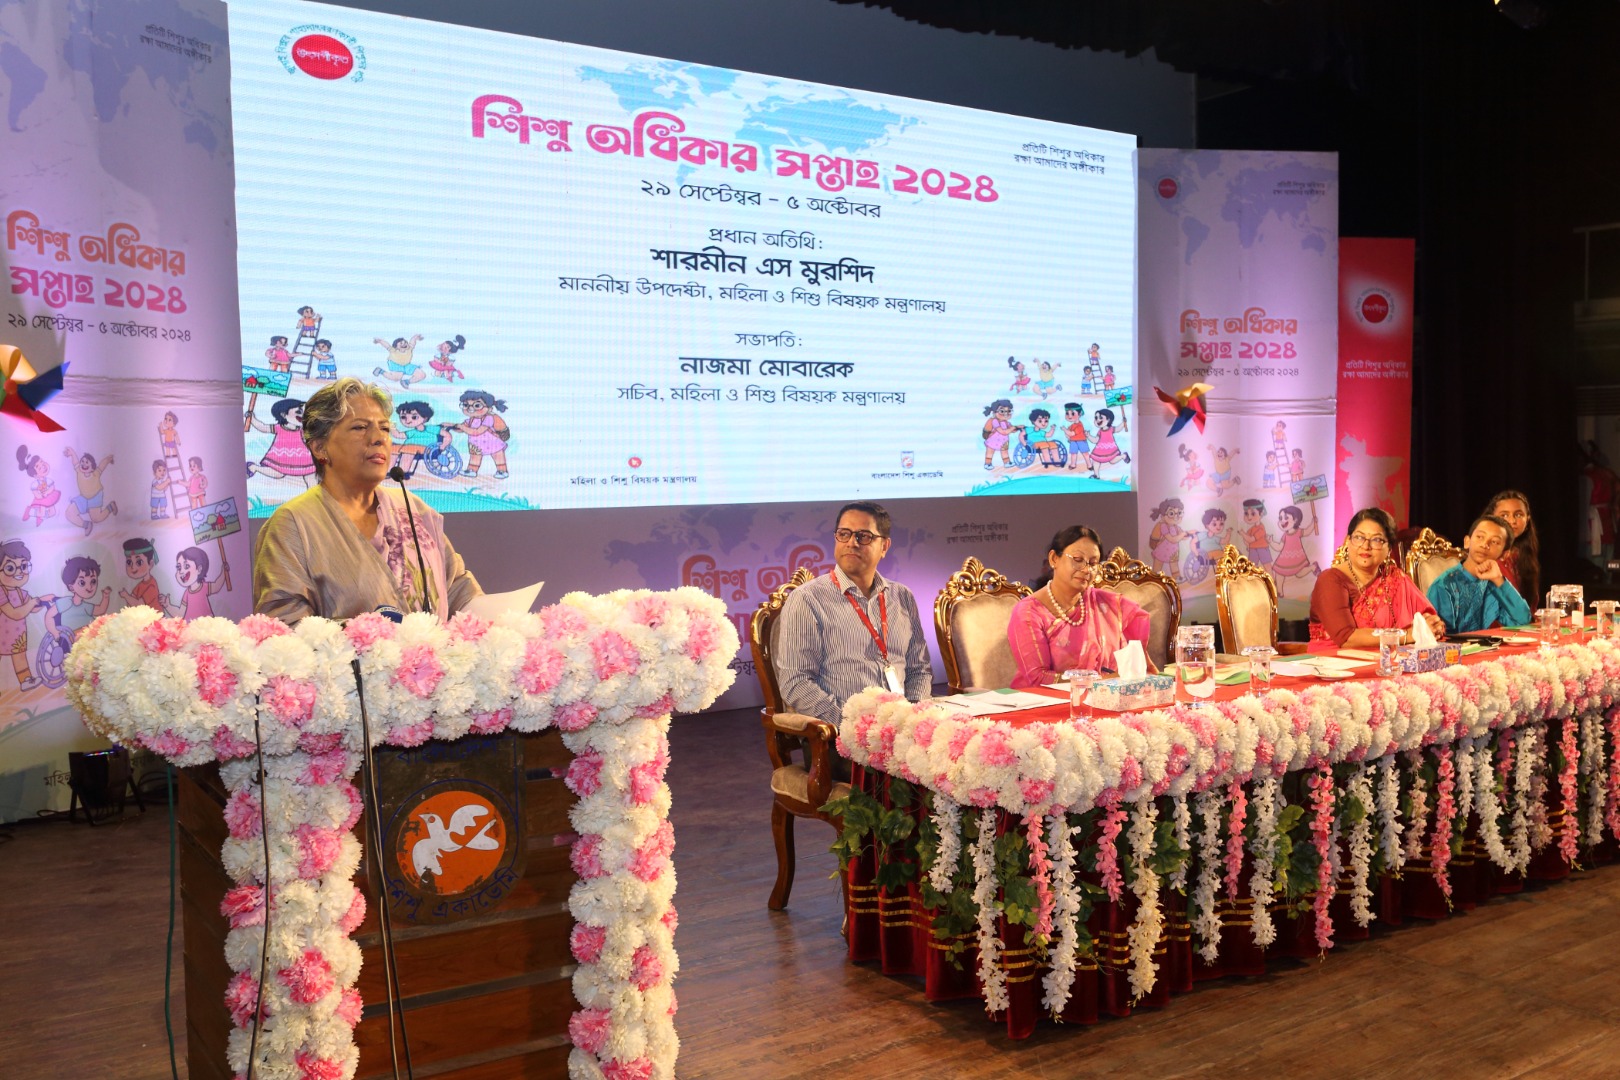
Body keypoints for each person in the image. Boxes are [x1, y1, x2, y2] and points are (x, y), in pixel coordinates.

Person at [253, 378, 483, 624]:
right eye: (360, 427)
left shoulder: (412, 507)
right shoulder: (293, 523)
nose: (378, 438)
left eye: (384, 429)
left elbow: (459, 592)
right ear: (320, 447)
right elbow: (284, 625)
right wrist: (371, 634)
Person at [775, 501, 932, 724]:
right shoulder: (807, 599)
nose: (851, 543)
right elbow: (795, 682)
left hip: (902, 728)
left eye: (863, 536)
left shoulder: (902, 596)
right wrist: (853, 724)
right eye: (844, 534)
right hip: (842, 732)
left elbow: (919, 670)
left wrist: (913, 717)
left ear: (884, 546)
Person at [1006, 526, 1152, 687]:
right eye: (1077, 559)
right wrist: (1098, 681)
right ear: (1054, 559)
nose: (1086, 569)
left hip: (1107, 696)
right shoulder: (1028, 612)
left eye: (1093, 563)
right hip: (1043, 700)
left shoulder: (1108, 605)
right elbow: (1038, 678)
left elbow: (1136, 668)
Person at [1309, 507, 1443, 650]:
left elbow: (1426, 617)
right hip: (1333, 660)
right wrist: (1409, 635)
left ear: (1389, 549)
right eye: (1359, 537)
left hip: (1390, 657)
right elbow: (1346, 638)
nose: (1366, 546)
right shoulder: (1330, 580)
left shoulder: (1394, 578)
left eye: (1377, 540)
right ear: (1347, 541)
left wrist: (1432, 626)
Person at [1427, 515, 1532, 633]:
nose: (1485, 544)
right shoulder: (1444, 585)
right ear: (1467, 542)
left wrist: (1499, 579)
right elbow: (1439, 635)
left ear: (1504, 554)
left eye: (1494, 542)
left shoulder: (1494, 585)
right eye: (1480, 537)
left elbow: (1523, 620)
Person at [1481, 489, 1540, 606]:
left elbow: (1531, 603)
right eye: (1504, 515)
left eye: (1518, 515)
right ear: (1491, 518)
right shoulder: (1483, 554)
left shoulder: (1521, 554)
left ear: (1527, 519)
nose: (1512, 521)